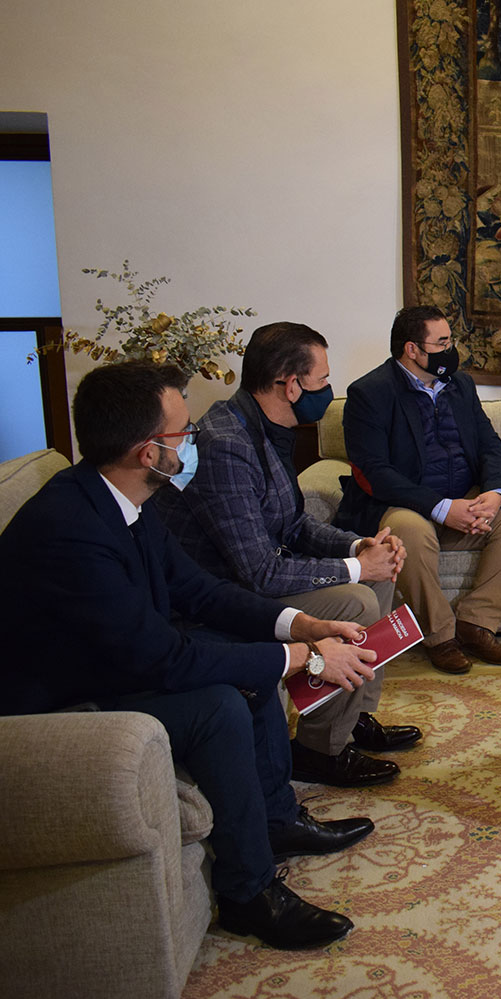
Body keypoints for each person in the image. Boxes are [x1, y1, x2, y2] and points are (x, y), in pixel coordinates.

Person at [0, 361, 380, 949]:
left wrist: (298, 624)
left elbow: (198, 590)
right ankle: (248, 893)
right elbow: (162, 661)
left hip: (114, 660)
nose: (194, 444)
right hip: (61, 701)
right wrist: (305, 660)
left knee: (247, 657)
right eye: (184, 435)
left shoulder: (119, 499)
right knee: (220, 703)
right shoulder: (68, 531)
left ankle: (275, 820)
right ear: (148, 453)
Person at [157, 322, 421, 788]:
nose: (327, 389)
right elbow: (258, 572)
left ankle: (351, 715)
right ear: (291, 384)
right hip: (223, 599)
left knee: (381, 574)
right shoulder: (225, 445)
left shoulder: (270, 429)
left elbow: (294, 524)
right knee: (357, 600)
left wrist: (359, 546)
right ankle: (319, 750)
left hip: (253, 579)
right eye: (321, 380)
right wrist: (357, 568)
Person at [337, 306, 501, 675]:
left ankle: (477, 625)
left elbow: (489, 445)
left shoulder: (460, 384)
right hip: (406, 506)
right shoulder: (370, 393)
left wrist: (494, 494)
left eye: (450, 341)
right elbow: (376, 471)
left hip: (466, 498)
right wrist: (442, 508)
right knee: (409, 531)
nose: (451, 350)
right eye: (442, 342)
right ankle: (439, 636)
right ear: (412, 349)